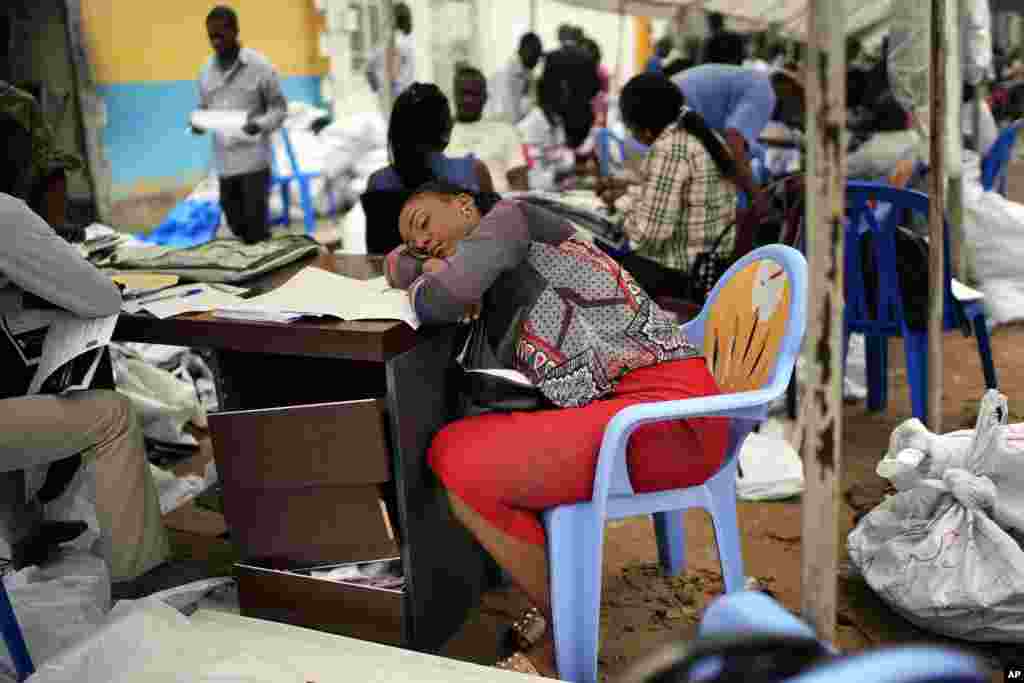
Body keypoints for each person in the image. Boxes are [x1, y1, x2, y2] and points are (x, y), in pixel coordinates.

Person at [383, 181, 730, 677]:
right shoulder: (490, 262)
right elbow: (394, 263)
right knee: (475, 437)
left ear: (464, 205)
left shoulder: (512, 219)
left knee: (457, 456)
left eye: (423, 224)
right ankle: (562, 604)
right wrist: (422, 265)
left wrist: (432, 279)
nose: (420, 241)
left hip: (666, 419)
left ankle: (564, 628)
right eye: (413, 238)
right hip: (632, 414)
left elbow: (441, 300)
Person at [0, 112, 172, 589]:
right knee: (112, 417)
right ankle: (141, 579)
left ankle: (25, 530)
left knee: (10, 374)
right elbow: (101, 298)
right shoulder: (4, 213)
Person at [596, 73, 739, 300]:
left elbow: (649, 234)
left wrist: (618, 213)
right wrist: (629, 198)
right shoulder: (698, 133)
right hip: (710, 262)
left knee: (595, 255)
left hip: (688, 274)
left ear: (644, 129)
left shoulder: (671, 148)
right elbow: (665, 199)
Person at [192, 5, 287, 244]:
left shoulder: (260, 67)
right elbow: (204, 109)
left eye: (220, 35)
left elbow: (279, 108)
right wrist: (198, 123)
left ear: (235, 31)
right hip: (225, 165)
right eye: (210, 36)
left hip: (254, 162)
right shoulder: (206, 72)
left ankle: (264, 274)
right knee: (236, 225)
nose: (215, 42)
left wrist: (260, 124)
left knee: (256, 229)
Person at [362, 83, 494, 252]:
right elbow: (494, 237)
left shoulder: (379, 182)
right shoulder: (473, 171)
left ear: (395, 132)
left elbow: (377, 256)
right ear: (446, 129)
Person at [672, 64, 804, 208]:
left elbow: (736, 143)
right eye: (801, 107)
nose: (796, 118)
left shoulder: (754, 81)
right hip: (674, 116)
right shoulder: (766, 93)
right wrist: (758, 198)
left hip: (670, 109)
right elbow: (734, 141)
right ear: (789, 89)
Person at [0, 13, 82, 229]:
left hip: (15, 202)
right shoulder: (21, 103)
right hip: (14, 207)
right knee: (54, 167)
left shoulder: (19, 102)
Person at [448, 66, 528, 192]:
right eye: (464, 93)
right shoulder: (438, 136)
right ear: (454, 95)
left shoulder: (505, 132)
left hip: (499, 207)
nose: (468, 100)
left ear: (485, 97)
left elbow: (520, 184)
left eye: (474, 94)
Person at [538, 24, 601, 150]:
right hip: (582, 117)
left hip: (558, 119)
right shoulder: (587, 57)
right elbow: (595, 87)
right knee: (579, 156)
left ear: (559, 38)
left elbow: (543, 90)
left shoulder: (551, 57)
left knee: (561, 156)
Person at [366, 2, 416, 110]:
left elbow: (369, 68)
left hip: (388, 98)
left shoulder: (388, 42)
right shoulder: (404, 42)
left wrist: (377, 88)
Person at [487, 32, 544, 125]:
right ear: (524, 50)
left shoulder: (527, 76)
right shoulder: (508, 76)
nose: (537, 61)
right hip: (506, 128)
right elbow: (512, 115)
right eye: (535, 55)